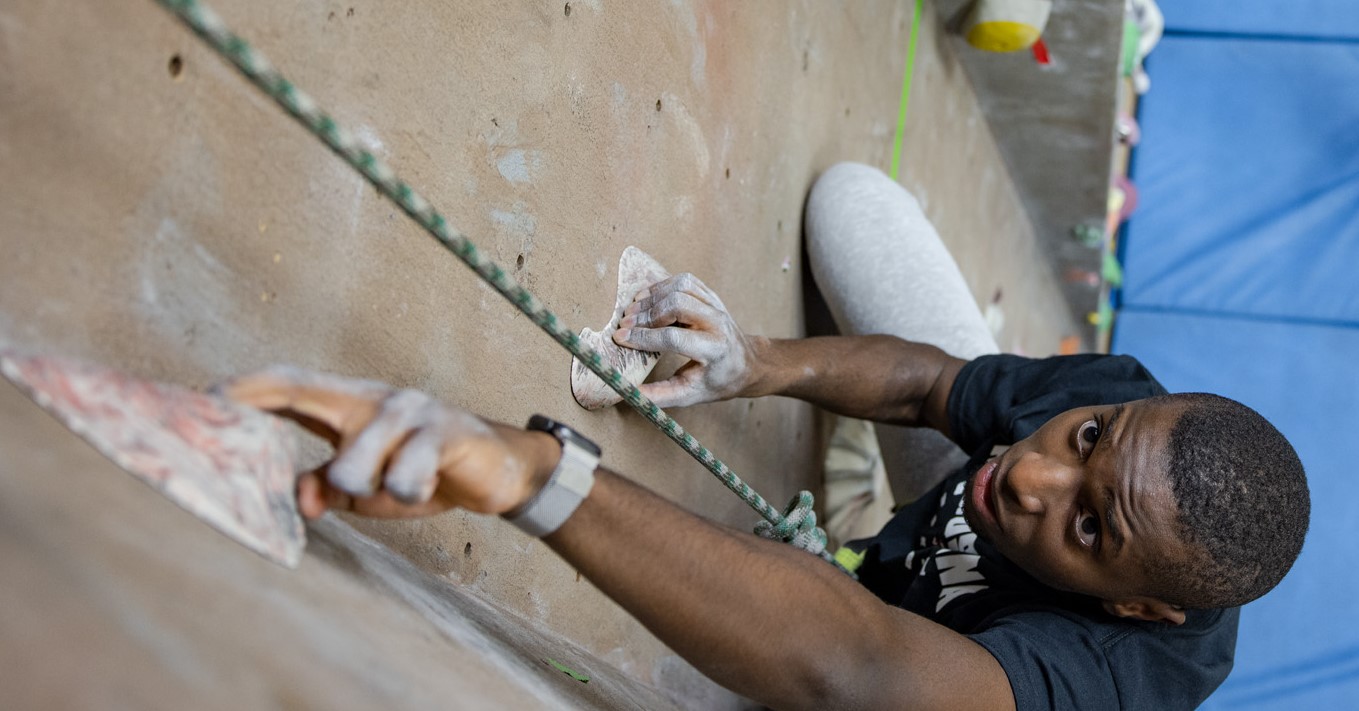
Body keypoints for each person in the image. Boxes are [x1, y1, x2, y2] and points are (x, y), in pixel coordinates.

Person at [223, 163, 1310, 710]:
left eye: (1086, 524)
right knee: (855, 202)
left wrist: (541, 476)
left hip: (921, 680)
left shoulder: (1110, 672)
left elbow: (862, 661)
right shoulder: (1119, 415)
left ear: (1137, 603)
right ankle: (848, 527)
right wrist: (755, 363)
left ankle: (836, 550)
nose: (1024, 473)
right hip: (912, 595)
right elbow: (935, 382)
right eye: (1084, 440)